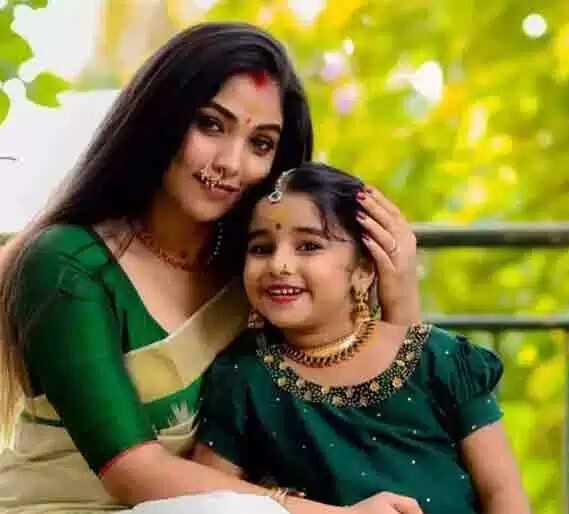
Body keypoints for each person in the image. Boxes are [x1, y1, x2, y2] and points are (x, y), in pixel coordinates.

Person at [0, 23, 422, 513]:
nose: (231, 163)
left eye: (260, 144)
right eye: (211, 125)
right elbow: (133, 472)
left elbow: (391, 430)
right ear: (161, 118)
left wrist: (398, 288)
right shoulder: (67, 262)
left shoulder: (259, 272)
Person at [192, 162, 531, 513]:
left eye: (308, 246)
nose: (279, 265)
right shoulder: (243, 374)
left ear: (364, 270)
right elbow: (207, 500)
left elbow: (502, 493)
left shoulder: (440, 359)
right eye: (261, 248)